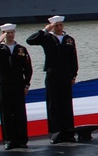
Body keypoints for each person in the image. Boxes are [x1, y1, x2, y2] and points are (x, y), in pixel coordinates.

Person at [27, 16, 78, 144]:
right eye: (56, 25)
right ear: (52, 26)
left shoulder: (69, 40)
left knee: (66, 104)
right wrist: (44, 30)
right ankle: (56, 133)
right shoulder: (47, 38)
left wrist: (73, 75)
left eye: (61, 25)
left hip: (66, 75)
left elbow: (73, 59)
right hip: (52, 75)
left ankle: (68, 133)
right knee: (53, 104)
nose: (59, 27)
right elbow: (30, 40)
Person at [0, 23, 33, 150]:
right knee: (6, 114)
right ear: (3, 34)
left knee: (20, 113)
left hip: (18, 85)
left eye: (12, 32)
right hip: (4, 85)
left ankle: (22, 140)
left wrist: (26, 84)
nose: (10, 35)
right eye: (7, 33)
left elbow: (28, 68)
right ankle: (9, 140)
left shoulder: (21, 49)